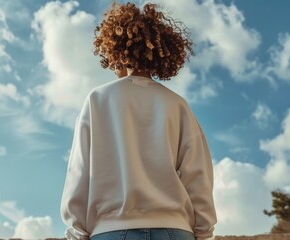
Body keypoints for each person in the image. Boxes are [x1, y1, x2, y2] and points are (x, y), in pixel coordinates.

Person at [60, 2, 217, 240]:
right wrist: (203, 233)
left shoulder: (97, 99)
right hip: (175, 231)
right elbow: (197, 174)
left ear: (115, 50)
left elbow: (79, 172)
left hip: (109, 231)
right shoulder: (177, 104)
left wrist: (76, 232)